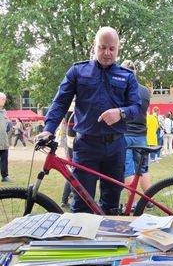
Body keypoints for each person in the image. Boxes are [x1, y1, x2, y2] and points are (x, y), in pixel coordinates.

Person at [38, 26, 141, 214]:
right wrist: (49, 128)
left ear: (118, 48)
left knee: (111, 205)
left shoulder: (127, 77)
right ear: (94, 46)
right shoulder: (78, 71)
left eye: (112, 48)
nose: (107, 53)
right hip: (86, 147)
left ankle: (108, 242)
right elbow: (60, 102)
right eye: (102, 47)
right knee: (81, 204)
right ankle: (82, 242)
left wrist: (120, 112)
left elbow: (137, 108)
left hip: (115, 147)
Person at [122, 60, 153, 211]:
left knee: (128, 169)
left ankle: (132, 203)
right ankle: (149, 200)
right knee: (143, 169)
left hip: (126, 134)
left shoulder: (123, 88)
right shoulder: (146, 91)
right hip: (141, 135)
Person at [0, 92, 12, 182]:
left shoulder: (4, 112)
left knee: (4, 159)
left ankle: (5, 176)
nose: (4, 101)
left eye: (4, 99)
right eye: (2, 99)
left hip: (3, 141)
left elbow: (7, 125)